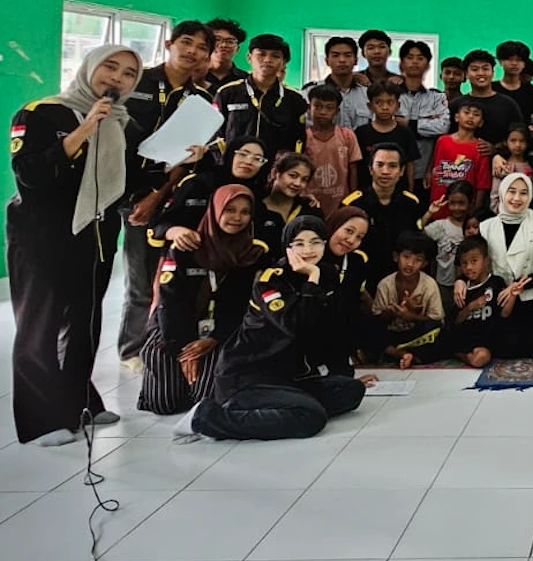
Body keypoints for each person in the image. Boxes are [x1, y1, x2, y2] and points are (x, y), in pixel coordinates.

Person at [8, 45, 143, 445]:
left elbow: (125, 182)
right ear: (89, 67)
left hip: (95, 235)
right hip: (42, 235)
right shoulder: (41, 112)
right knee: (41, 324)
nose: (117, 78)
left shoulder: (123, 123)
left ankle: (80, 400)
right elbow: (29, 173)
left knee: (85, 323)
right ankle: (40, 420)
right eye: (110, 67)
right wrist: (83, 130)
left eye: (128, 74)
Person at [176, 216, 367, 442]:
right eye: (299, 243)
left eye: (316, 242)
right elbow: (294, 325)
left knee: (351, 390)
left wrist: (343, 369)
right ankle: (205, 418)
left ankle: (282, 406)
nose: (308, 250)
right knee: (311, 417)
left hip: (285, 376)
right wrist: (312, 278)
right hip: (248, 377)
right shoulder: (271, 281)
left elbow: (330, 329)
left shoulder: (327, 274)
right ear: (287, 247)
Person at [118, 20, 216, 368]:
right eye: (186, 42)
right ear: (169, 44)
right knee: (136, 278)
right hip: (116, 190)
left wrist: (158, 195)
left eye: (202, 48)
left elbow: (181, 160)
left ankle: (160, 344)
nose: (193, 52)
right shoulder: (135, 83)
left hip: (162, 195)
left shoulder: (201, 100)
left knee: (163, 275)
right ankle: (131, 349)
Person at [138, 185, 268, 415]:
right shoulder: (186, 247)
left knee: (203, 399)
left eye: (245, 212)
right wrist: (185, 349)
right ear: (215, 210)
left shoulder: (252, 254)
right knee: (163, 404)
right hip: (174, 330)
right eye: (230, 210)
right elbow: (170, 302)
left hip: (220, 333)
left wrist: (213, 339)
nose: (237, 218)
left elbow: (240, 306)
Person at [475, 174, 533, 357]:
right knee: (504, 350)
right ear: (502, 193)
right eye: (512, 191)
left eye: (523, 193)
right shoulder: (485, 227)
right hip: (501, 296)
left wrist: (519, 286)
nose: (517, 198)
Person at [149, 135, 269, 248]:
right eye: (243, 154)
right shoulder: (200, 183)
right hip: (189, 254)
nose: (249, 161)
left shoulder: (259, 195)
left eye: (258, 159)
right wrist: (174, 232)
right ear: (230, 154)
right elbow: (159, 225)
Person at [213, 34, 308, 160]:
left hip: (275, 169)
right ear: (249, 58)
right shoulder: (227, 93)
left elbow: (299, 139)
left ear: (283, 62)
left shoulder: (295, 99)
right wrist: (224, 163)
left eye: (275, 56)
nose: (267, 60)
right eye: (261, 54)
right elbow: (214, 135)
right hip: (234, 167)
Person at [342, 144, 426, 281]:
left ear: (402, 171)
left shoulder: (411, 203)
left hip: (399, 279)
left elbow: (415, 245)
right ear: (370, 169)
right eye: (380, 165)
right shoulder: (353, 204)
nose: (385, 171)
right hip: (361, 278)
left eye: (392, 166)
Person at [369, 231, 445, 368]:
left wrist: (412, 316)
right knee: (369, 331)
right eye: (406, 257)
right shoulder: (385, 284)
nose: (410, 264)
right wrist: (393, 313)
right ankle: (402, 354)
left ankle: (398, 354)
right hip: (392, 334)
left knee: (440, 333)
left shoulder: (429, 284)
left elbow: (437, 320)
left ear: (424, 264)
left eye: (418, 260)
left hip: (417, 337)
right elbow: (377, 317)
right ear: (396, 257)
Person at [448, 236, 514, 367]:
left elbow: (504, 313)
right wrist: (470, 307)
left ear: (486, 260)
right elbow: (456, 320)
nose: (469, 267)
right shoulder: (461, 288)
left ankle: (458, 353)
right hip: (464, 338)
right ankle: (457, 352)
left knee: (481, 358)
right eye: (464, 263)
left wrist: (513, 294)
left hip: (486, 340)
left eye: (474, 261)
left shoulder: (496, 282)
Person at [322, 206, 373, 375]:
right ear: (334, 226)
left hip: (339, 350)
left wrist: (354, 348)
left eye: (359, 237)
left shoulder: (357, 262)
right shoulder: (311, 259)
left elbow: (351, 311)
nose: (351, 240)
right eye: (348, 231)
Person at [447, 49, 525, 153]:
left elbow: (520, 136)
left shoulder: (508, 104)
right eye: (475, 69)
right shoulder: (455, 105)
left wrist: (496, 149)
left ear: (493, 72)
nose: (481, 73)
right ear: (466, 74)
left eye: (485, 69)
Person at [394, 40, 449, 183]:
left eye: (420, 58)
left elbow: (443, 126)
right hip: (391, 170)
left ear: (428, 65)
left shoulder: (437, 97)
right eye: (409, 57)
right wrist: (427, 124)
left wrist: (408, 124)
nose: (415, 62)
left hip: (424, 171)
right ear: (401, 63)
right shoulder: (389, 96)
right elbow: (384, 123)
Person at [304, 85, 362, 217]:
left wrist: (353, 198)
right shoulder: (303, 137)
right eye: (317, 106)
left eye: (329, 108)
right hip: (310, 200)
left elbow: (353, 169)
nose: (323, 112)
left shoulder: (347, 136)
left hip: (341, 200)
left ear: (337, 111)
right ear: (309, 108)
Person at [426, 98, 490, 218]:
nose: (470, 116)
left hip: (464, 210)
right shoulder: (442, 141)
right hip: (438, 204)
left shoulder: (481, 148)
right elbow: (434, 163)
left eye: (476, 114)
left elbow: (482, 184)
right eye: (466, 112)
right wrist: (428, 173)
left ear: (481, 123)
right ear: (456, 117)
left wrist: (475, 211)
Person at [255, 153, 323, 261]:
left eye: (304, 179)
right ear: (275, 173)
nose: (298, 183)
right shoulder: (255, 207)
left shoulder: (310, 210)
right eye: (293, 176)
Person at [353, 83, 420, 191]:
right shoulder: (361, 133)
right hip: (367, 190)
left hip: (398, 191)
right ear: (370, 106)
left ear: (398, 105)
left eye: (390, 102)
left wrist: (410, 189)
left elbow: (410, 164)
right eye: (378, 103)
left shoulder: (405, 133)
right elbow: (355, 166)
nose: (385, 107)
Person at [302, 36, 370, 130]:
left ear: (356, 60)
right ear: (327, 61)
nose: (342, 60)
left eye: (347, 55)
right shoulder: (309, 93)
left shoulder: (368, 94)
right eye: (335, 55)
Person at [424, 180, 473, 289]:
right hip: (444, 283)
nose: (456, 208)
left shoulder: (474, 227)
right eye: (452, 203)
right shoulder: (441, 226)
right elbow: (419, 233)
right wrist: (430, 213)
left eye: (461, 203)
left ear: (470, 203)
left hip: (470, 284)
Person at [489, 124, 533, 212]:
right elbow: (495, 195)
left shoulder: (532, 165)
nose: (518, 145)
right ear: (506, 142)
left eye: (522, 141)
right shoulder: (502, 165)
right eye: (513, 140)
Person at [494, 40, 533, 123]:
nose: (514, 63)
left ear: (524, 63)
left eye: (519, 60)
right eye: (509, 59)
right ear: (500, 61)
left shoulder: (531, 90)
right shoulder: (491, 88)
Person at [205, 17, 249, 88]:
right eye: (217, 39)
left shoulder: (246, 80)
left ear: (237, 49)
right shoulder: (194, 75)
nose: (223, 45)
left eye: (230, 41)